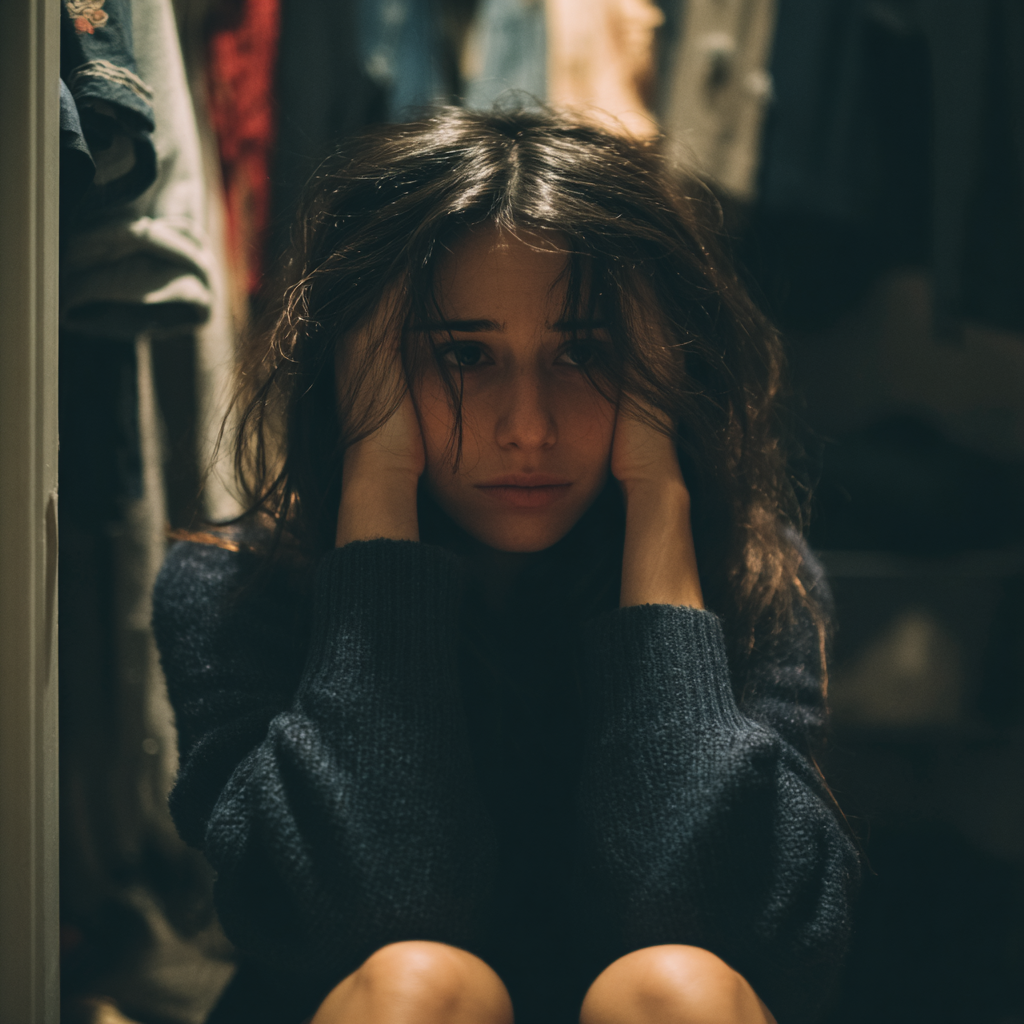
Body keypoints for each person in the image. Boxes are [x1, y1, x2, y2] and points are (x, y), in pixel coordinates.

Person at [152, 107, 859, 1024]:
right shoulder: (229, 585)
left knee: (673, 986)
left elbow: (739, 935)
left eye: (585, 353)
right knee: (419, 982)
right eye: (464, 355)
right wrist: (377, 484)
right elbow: (354, 915)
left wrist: (660, 516)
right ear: (363, 368)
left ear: (665, 368)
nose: (528, 425)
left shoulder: (755, 575)